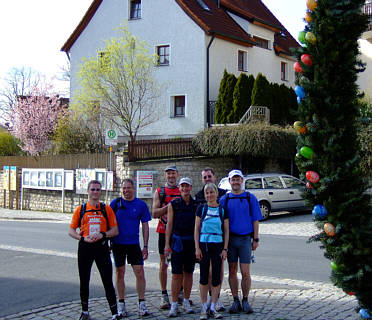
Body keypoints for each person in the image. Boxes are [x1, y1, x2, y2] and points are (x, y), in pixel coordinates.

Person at [69, 180, 120, 320]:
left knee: (107, 280)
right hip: (85, 247)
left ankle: (115, 313)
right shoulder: (81, 209)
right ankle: (85, 312)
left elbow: (115, 230)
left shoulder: (106, 209)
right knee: (84, 280)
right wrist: (82, 238)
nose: (95, 192)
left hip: (101, 247)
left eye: (98, 190)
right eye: (93, 189)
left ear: (101, 192)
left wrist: (103, 234)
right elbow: (71, 230)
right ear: (88, 191)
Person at [219, 169, 262, 314]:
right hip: (230, 240)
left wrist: (256, 238)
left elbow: (255, 220)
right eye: (233, 179)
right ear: (229, 181)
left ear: (242, 181)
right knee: (232, 271)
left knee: (245, 272)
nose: (236, 182)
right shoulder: (224, 199)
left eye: (238, 179)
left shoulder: (251, 198)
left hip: (245, 239)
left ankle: (245, 299)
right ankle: (235, 300)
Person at [110, 178, 151, 317]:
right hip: (118, 244)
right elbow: (108, 224)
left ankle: (142, 303)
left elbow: (145, 226)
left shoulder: (141, 205)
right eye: (124, 188)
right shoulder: (115, 204)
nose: (126, 190)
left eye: (129, 188)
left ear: (133, 189)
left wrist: (145, 246)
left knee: (139, 272)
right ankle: (121, 304)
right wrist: (108, 243)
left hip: (133, 244)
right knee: (119, 273)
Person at [164, 177, 198, 317]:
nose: (185, 189)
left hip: (190, 241)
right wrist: (167, 244)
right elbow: (169, 225)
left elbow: (198, 226)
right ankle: (173, 304)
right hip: (177, 242)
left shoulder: (196, 205)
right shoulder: (174, 204)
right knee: (176, 274)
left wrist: (197, 246)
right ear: (179, 188)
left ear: (190, 188)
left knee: (189, 273)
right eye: (182, 186)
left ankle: (186, 300)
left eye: (187, 186)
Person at [195, 183, 229, 320]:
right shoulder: (201, 209)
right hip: (204, 246)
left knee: (216, 277)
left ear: (216, 193)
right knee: (203, 277)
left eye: (211, 192)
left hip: (218, 245)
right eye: (207, 193)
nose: (209, 195)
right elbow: (196, 229)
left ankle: (213, 306)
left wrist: (225, 249)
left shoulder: (222, 210)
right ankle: (204, 308)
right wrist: (197, 248)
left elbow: (227, 231)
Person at [152, 165, 181, 309]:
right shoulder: (160, 192)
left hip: (179, 232)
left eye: (173, 173)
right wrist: (169, 206)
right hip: (163, 232)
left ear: (177, 174)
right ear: (165, 176)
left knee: (180, 263)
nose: (171, 176)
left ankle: (180, 293)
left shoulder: (182, 189)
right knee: (163, 264)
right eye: (168, 174)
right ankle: (164, 295)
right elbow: (154, 213)